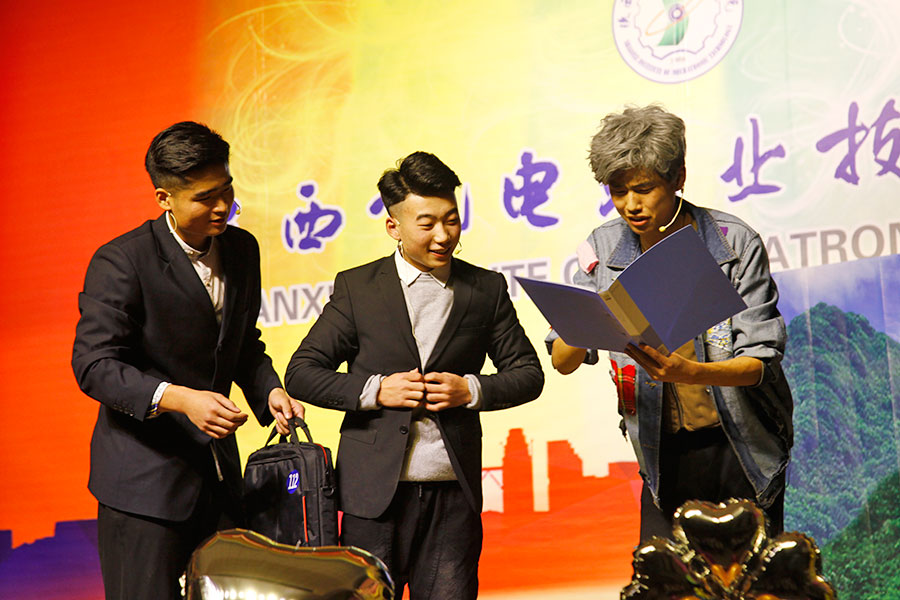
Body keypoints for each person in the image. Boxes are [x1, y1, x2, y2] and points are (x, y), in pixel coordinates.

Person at [285, 151, 544, 599]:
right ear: (394, 226)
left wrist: (470, 389)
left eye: (452, 220)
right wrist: (375, 391)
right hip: (373, 497)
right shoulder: (358, 288)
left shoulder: (485, 289)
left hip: (453, 496)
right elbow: (302, 372)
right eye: (427, 224)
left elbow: (528, 373)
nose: (443, 235)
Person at [72, 121, 303, 600]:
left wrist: (270, 392)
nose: (222, 207)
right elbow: (94, 365)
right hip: (144, 488)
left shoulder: (242, 249)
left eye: (227, 190)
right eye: (205, 197)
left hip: (221, 482)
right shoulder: (122, 261)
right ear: (165, 199)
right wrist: (180, 399)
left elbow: (241, 344)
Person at [550, 105, 793, 541]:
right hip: (661, 454)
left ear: (678, 177)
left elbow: (760, 362)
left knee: (751, 574)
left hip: (740, 446)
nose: (631, 205)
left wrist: (690, 373)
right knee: (663, 572)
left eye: (644, 189)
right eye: (618, 192)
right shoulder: (602, 248)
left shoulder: (733, 242)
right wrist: (592, 317)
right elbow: (563, 361)